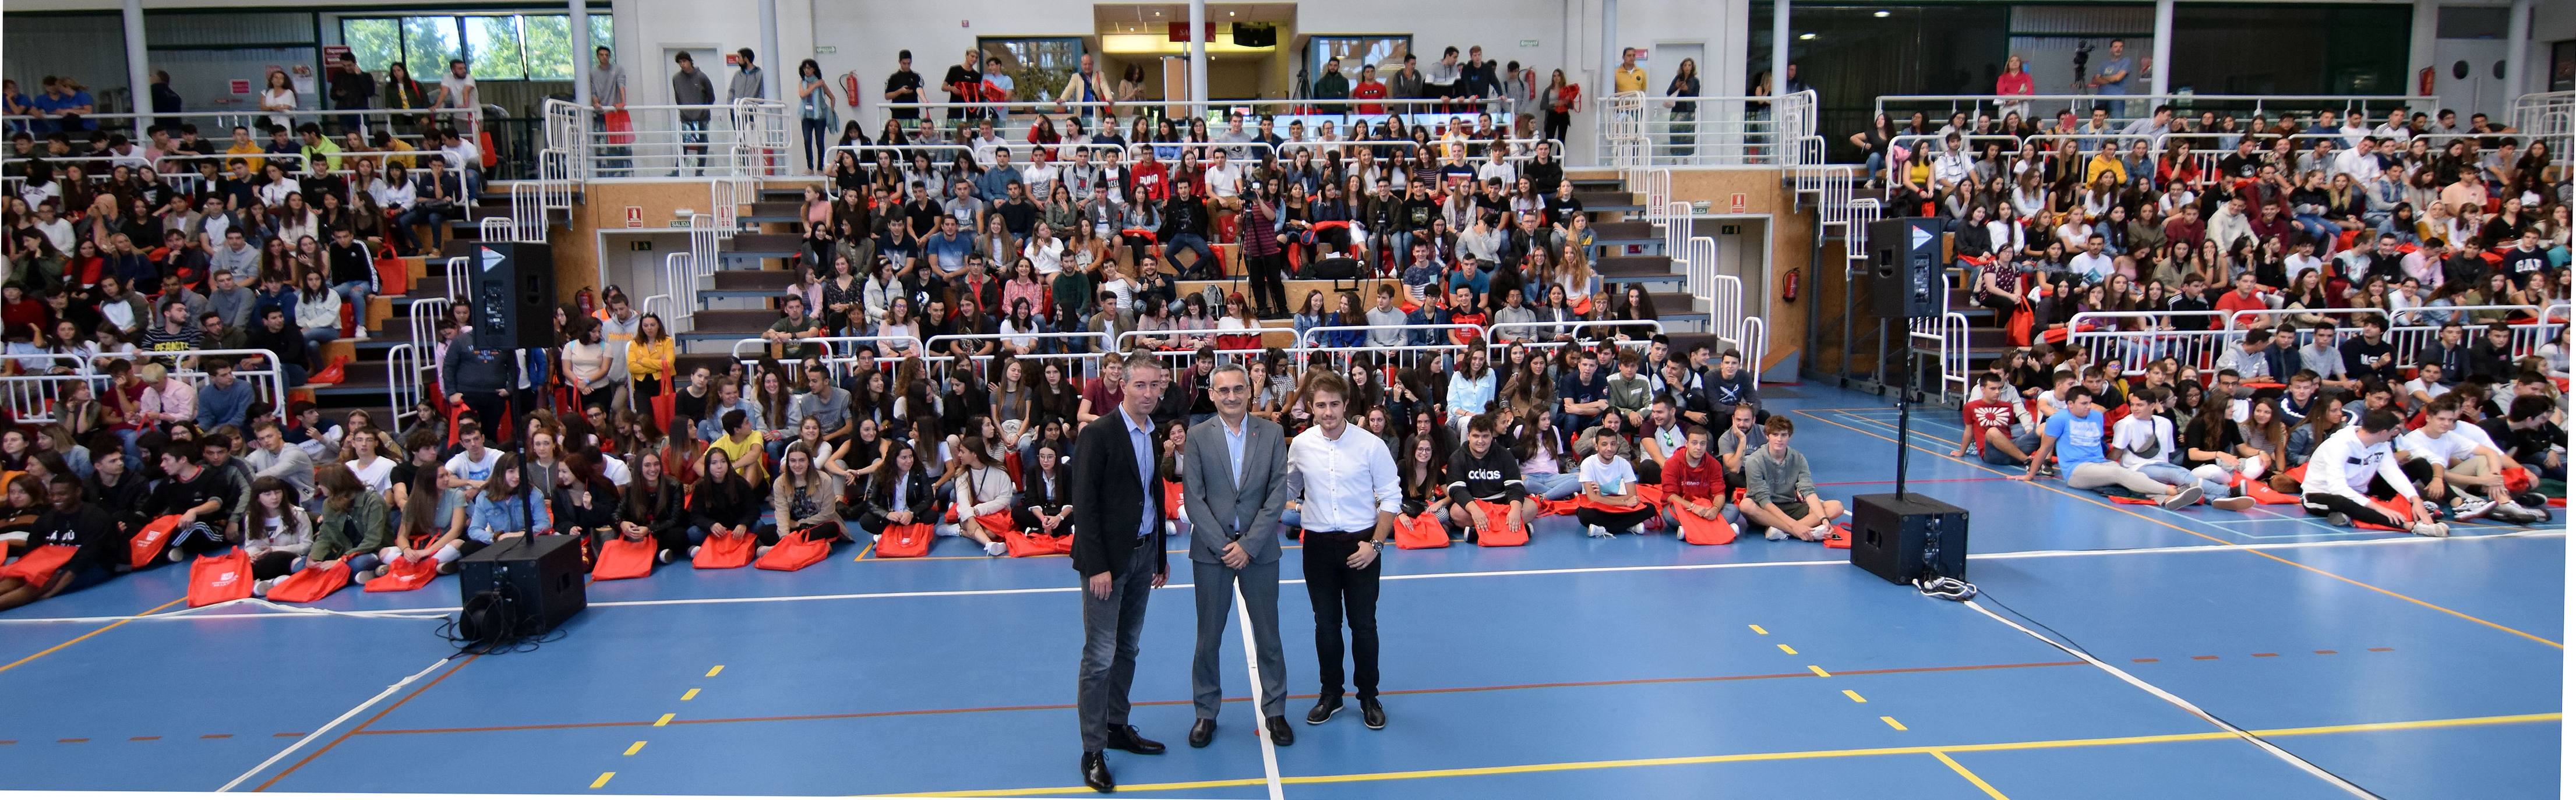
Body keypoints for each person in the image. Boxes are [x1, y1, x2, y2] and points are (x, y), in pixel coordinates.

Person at [1069, 350, 1173, 792]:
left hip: (1144, 555)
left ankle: (1116, 724)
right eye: (1140, 386)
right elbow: (1085, 505)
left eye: (1155, 386)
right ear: (1123, 386)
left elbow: (1153, 496)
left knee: (1128, 647)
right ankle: (1092, 750)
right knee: (1099, 655)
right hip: (1107, 564)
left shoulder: (1152, 434)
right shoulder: (1100, 434)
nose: (1148, 394)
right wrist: (1097, 566)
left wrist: (1161, 554)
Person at [1179, 362, 1293, 749]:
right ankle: (1206, 712)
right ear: (1211, 394)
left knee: (1269, 636)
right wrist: (1225, 546)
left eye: (1238, 389)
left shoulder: (1273, 433)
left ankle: (1275, 710)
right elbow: (1194, 498)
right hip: (1212, 554)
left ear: (1250, 392)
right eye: (1223, 390)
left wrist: (1249, 545)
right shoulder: (1197, 436)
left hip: (1259, 552)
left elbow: (1278, 493)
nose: (1231, 397)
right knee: (1207, 639)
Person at [1283, 369, 1399, 731]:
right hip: (1317, 546)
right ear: (1311, 408)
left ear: (1346, 405)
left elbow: (1392, 497)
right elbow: (1286, 490)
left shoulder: (1370, 445)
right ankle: (1331, 693)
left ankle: (1368, 695)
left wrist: (1376, 545)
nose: (1328, 412)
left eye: (1335, 404)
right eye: (1321, 405)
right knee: (1326, 625)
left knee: (1364, 625)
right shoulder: (1301, 445)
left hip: (1361, 545)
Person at [2301, 409, 2450, 536]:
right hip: (2321, 495)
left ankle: (2353, 516)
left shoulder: (2382, 445)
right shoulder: (2339, 445)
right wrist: (2379, 508)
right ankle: (2410, 526)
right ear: (2384, 432)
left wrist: (2415, 499)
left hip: (2360, 493)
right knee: (2342, 501)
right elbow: (2337, 488)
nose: (2395, 435)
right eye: (2393, 431)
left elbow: (2393, 473)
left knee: (2416, 468)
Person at [0, 475, 125, 612]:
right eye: (52, 494)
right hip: (53, 563)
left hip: (92, 565)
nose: (55, 499)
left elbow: (83, 561)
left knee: (42, 583)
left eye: (61, 494)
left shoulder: (96, 518)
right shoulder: (45, 520)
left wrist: (52, 592)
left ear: (78, 492)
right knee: (17, 579)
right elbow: (29, 554)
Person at [1733, 415, 1848, 540]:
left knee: (1837, 507)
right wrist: (1794, 526)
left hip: (1789, 506)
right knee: (1746, 505)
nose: (1779, 439)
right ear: (1767, 436)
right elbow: (1764, 500)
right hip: (1765, 511)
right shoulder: (1755, 460)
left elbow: (1808, 491)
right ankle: (1797, 530)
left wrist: (1824, 520)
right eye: (1775, 435)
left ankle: (1781, 532)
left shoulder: (1798, 458)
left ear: (1789, 436)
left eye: (1784, 435)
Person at [1576, 426, 1656, 537]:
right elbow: (1592, 498)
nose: (1609, 448)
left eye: (1613, 444)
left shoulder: (1624, 464)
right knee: (1583, 514)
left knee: (1650, 508)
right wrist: (1625, 502)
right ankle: (1627, 526)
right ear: (1596, 446)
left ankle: (1605, 528)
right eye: (1604, 444)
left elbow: (1632, 495)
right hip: (1598, 507)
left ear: (1617, 446)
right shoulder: (1588, 464)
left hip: (1616, 506)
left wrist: (1603, 499)